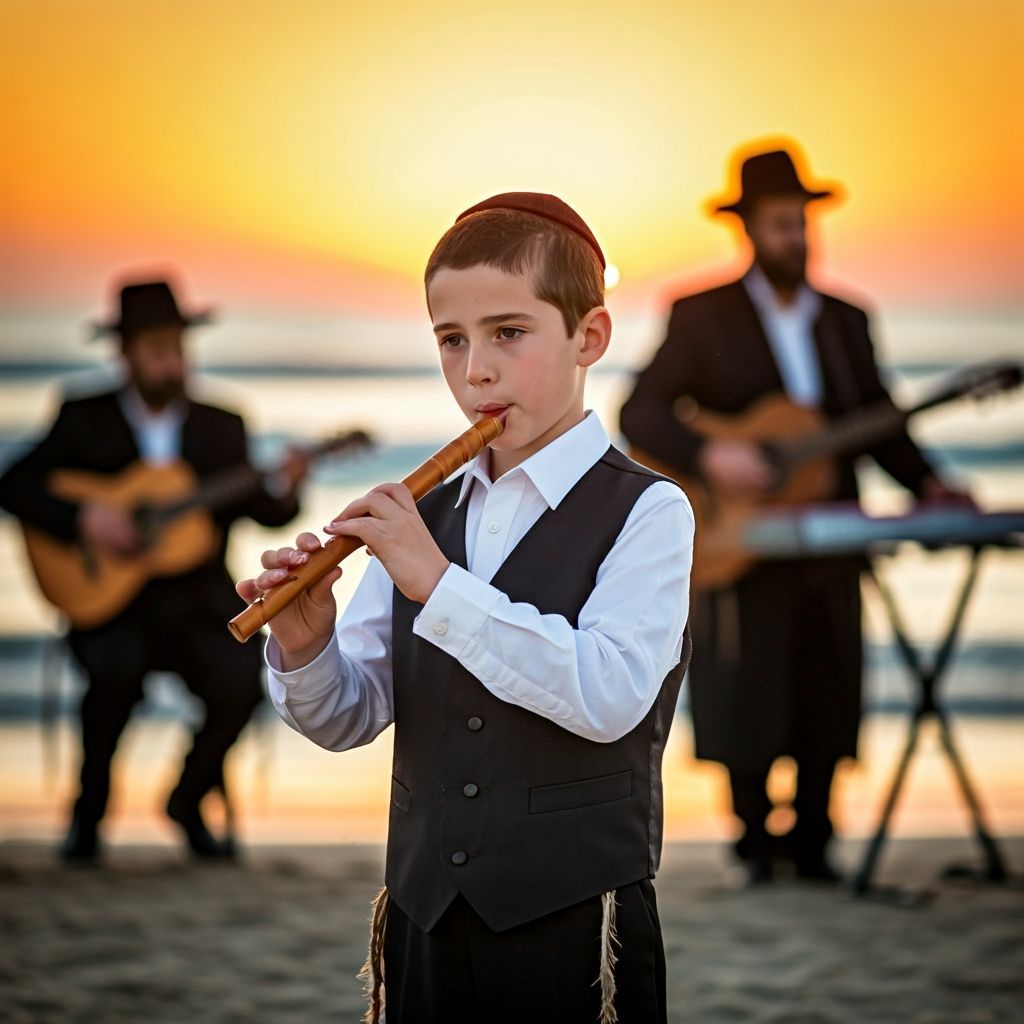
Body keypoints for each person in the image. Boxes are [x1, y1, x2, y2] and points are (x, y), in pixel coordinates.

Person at [238, 193, 694, 1023]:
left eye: (507, 334)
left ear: (588, 337)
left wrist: (438, 585)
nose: (474, 369)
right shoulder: (430, 512)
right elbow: (349, 717)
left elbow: (608, 694)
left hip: (575, 929)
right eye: (452, 340)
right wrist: (307, 649)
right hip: (424, 917)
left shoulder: (650, 511)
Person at [619, 145, 967, 886]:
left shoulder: (846, 319)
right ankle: (753, 841)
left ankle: (815, 842)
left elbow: (878, 424)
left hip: (830, 534)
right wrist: (712, 456)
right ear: (747, 228)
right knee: (746, 685)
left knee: (830, 682)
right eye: (781, 225)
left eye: (803, 224)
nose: (796, 239)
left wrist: (930, 485)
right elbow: (640, 411)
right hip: (740, 537)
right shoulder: (702, 314)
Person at [0, 278, 309, 863]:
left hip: (200, 602)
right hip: (113, 602)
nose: (172, 360)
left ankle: (187, 801)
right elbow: (15, 485)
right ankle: (86, 820)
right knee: (110, 678)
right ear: (126, 353)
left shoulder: (221, 423)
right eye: (157, 348)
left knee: (245, 677)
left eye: (178, 346)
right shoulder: (81, 416)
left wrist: (289, 487)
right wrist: (86, 516)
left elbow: (262, 510)